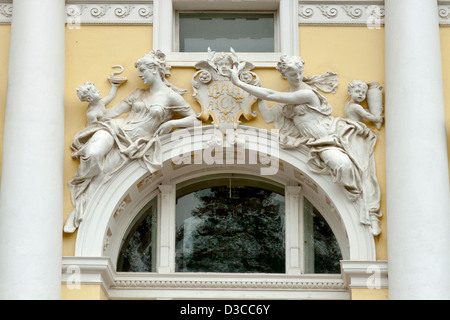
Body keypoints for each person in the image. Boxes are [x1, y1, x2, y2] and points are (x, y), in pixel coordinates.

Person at [229, 55, 382, 236]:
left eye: (300, 71)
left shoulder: (307, 94)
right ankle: (361, 207)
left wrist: (239, 83)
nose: (299, 76)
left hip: (333, 136)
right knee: (345, 166)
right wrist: (257, 95)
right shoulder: (288, 99)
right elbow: (269, 117)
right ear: (285, 74)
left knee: (349, 167)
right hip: (316, 143)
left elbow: (272, 95)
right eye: (293, 73)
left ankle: (366, 210)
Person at [64, 50, 200, 233]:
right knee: (94, 153)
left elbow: (194, 120)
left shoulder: (170, 96)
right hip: (114, 129)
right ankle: (80, 187)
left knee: (103, 178)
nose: (140, 75)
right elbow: (110, 114)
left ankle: (81, 210)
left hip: (133, 143)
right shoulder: (137, 93)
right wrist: (95, 102)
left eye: (143, 70)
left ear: (154, 70)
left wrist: (172, 123)